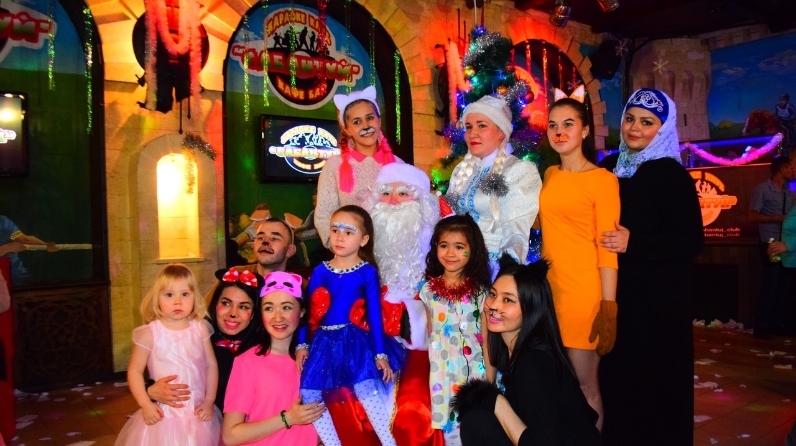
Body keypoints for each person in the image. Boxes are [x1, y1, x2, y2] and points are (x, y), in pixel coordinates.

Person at [599, 88, 704, 446]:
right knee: (615, 382)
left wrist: (635, 243)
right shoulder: (609, 168)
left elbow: (691, 241)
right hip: (615, 295)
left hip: (658, 307)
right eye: (630, 119)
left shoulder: (671, 175)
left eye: (647, 122)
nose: (634, 128)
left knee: (655, 388)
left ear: (663, 129)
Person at [148, 218, 298, 408]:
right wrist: (151, 387)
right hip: (214, 393)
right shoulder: (235, 277)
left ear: (290, 250)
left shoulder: (296, 289)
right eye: (260, 237)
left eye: (274, 238)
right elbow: (190, 324)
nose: (265, 242)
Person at [452, 260, 601, 446]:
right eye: (493, 294)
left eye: (508, 300)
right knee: (478, 421)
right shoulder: (521, 353)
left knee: (477, 423)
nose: (494, 305)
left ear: (530, 308)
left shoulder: (532, 362)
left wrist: (497, 401)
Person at [539, 97, 620, 429]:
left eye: (568, 124)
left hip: (583, 295)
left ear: (585, 131)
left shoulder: (602, 180)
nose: (559, 132)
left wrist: (608, 306)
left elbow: (608, 248)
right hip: (549, 293)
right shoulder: (549, 174)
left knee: (585, 385)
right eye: (553, 125)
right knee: (556, 383)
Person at [296, 205, 406, 446]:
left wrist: (380, 353)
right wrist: (302, 344)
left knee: (367, 388)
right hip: (324, 342)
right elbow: (307, 311)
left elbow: (374, 314)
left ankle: (389, 442)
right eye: (335, 230)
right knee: (308, 392)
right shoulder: (320, 271)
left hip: (356, 341)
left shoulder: (366, 272)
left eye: (348, 232)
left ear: (363, 240)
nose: (339, 237)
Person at [365, 162, 443, 446]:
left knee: (414, 410)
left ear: (420, 202)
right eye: (386, 193)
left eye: (403, 194)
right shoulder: (365, 244)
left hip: (421, 343)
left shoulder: (435, 244)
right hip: (371, 339)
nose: (392, 201)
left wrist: (408, 318)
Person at [115, 264, 220, 446]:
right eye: (169, 295)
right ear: (157, 299)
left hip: (197, 411)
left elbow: (211, 365)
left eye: (185, 294)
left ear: (195, 297)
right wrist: (145, 404)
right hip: (164, 415)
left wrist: (209, 400)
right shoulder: (150, 333)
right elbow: (134, 371)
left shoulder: (200, 328)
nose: (177, 302)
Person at [444, 95, 541, 276]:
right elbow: (448, 219)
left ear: (501, 133)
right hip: (457, 268)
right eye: (469, 127)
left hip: (493, 268)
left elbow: (516, 227)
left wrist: (506, 269)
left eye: (482, 126)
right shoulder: (462, 171)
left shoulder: (518, 170)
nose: (473, 133)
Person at [222, 271, 322, 445]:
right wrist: (288, 418)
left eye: (286, 307)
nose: (278, 317)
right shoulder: (247, 363)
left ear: (302, 311)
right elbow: (230, 435)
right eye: (269, 308)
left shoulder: (317, 359)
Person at [419, 214, 491, 445]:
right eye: (444, 245)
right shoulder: (428, 290)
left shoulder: (481, 291)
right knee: (452, 431)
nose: (450, 253)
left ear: (473, 250)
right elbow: (431, 333)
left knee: (479, 426)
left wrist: (490, 379)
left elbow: (488, 337)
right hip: (443, 375)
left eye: (459, 247)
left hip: (475, 371)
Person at [315, 86, 402, 247]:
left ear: (379, 120)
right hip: (351, 253)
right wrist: (342, 249)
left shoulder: (399, 165)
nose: (366, 126)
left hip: (393, 252)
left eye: (370, 118)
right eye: (357, 122)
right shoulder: (334, 166)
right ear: (347, 129)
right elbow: (324, 216)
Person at [749, 156, 795, 339]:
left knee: (782, 285)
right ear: (782, 169)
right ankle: (761, 325)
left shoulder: (787, 192)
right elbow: (752, 217)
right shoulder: (762, 189)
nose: (793, 171)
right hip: (770, 241)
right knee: (770, 283)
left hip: (785, 244)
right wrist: (776, 218)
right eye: (790, 168)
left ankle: (776, 324)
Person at [207, 267, 263, 411]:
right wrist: (152, 391)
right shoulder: (197, 340)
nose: (233, 313)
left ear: (253, 313)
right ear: (215, 304)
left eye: (243, 307)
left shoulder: (264, 347)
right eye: (226, 303)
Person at [0, 215, 58, 284]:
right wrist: (7, 247)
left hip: (16, 274)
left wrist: (46, 245)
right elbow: (9, 247)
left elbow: (23, 239)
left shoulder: (3, 221)